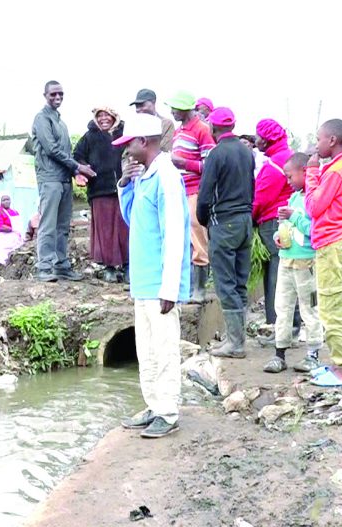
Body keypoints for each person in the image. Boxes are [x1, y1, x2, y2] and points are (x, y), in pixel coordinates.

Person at [114, 113, 190, 439]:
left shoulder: (167, 177)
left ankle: (168, 411)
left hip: (159, 283)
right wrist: (124, 185)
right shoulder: (144, 177)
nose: (127, 150)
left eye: (130, 143)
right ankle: (153, 404)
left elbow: (174, 235)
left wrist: (169, 287)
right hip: (142, 282)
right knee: (145, 349)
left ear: (143, 142)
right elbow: (133, 220)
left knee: (165, 347)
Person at [304, 119, 342, 386]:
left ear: (332, 140)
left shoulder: (337, 170)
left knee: (331, 307)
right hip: (341, 241)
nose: (316, 145)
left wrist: (312, 173)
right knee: (335, 304)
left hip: (332, 244)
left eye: (319, 139)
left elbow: (314, 207)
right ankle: (339, 362)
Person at [197, 108, 256, 359]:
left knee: (225, 282)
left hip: (224, 221)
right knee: (240, 280)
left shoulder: (216, 154)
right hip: (245, 220)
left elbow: (205, 194)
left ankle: (235, 343)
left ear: (213, 127)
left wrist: (204, 221)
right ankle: (238, 339)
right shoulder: (247, 151)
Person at [263, 152, 323, 374]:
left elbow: (314, 231)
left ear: (305, 173)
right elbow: (289, 227)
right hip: (287, 260)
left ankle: (313, 354)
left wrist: (294, 217)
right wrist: (279, 235)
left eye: (290, 177)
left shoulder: (314, 198)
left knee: (310, 308)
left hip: (307, 262)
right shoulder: (295, 197)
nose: (288, 182)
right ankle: (279, 354)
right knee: (283, 307)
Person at [31, 81, 96, 283]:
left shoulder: (61, 121)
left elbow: (65, 152)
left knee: (63, 226)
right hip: (49, 179)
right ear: (45, 95)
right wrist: (77, 166)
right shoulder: (41, 119)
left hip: (64, 179)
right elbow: (51, 150)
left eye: (61, 94)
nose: (57, 97)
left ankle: (61, 266)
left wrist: (75, 172)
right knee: (48, 225)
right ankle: (44, 267)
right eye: (53, 94)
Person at [166, 91, 215, 301]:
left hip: (196, 191)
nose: (171, 112)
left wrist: (185, 164)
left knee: (198, 237)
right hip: (180, 190)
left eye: (174, 108)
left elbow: (211, 165)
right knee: (184, 239)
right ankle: (186, 286)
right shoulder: (179, 132)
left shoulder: (202, 130)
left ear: (185, 109)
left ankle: (200, 289)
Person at [72, 106, 128, 281]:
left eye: (107, 115)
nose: (103, 119)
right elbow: (77, 156)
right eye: (100, 116)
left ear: (114, 116)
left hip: (124, 188)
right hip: (99, 190)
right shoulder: (90, 136)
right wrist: (82, 171)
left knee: (125, 229)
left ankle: (128, 267)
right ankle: (109, 268)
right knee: (105, 231)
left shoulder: (124, 133)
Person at [251, 118, 295, 329]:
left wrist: (250, 218)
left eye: (259, 136)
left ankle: (277, 323)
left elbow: (261, 199)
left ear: (267, 139)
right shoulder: (289, 157)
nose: (256, 140)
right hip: (288, 222)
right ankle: (291, 322)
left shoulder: (275, 164)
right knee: (288, 271)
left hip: (273, 223)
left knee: (275, 275)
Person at [0, 194, 23, 265]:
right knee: (3, 261)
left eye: (8, 199)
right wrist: (12, 229)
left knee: (16, 259)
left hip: (16, 238)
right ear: (0, 202)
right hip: (5, 240)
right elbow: (0, 226)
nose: (6, 201)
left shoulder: (15, 212)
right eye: (4, 200)